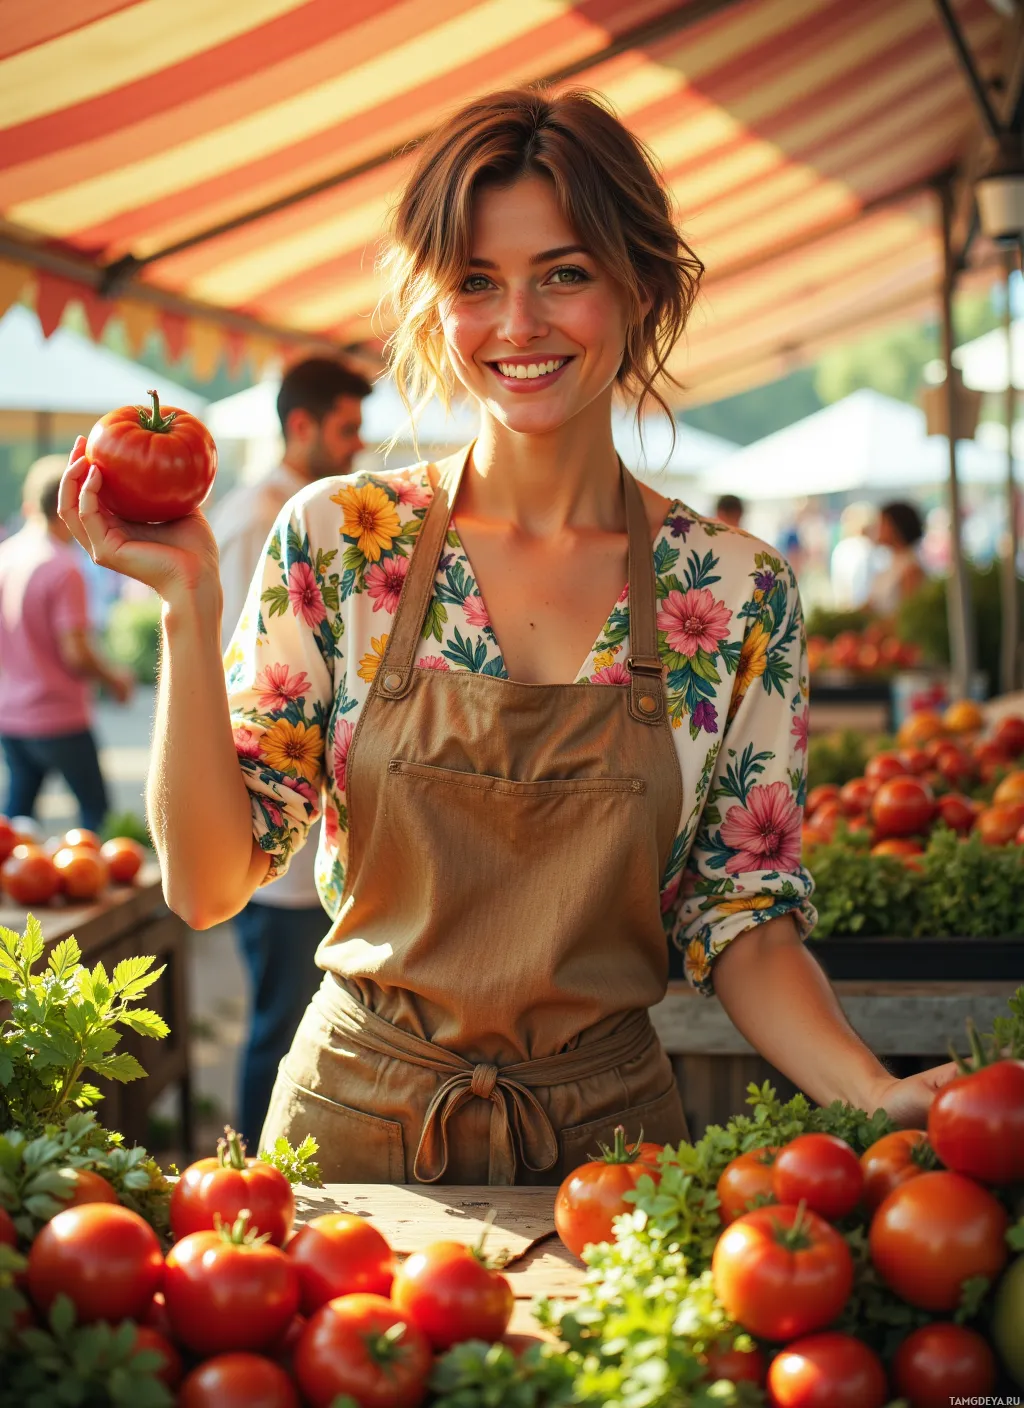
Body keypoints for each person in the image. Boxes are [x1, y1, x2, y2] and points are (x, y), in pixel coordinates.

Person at [59, 88, 958, 1185]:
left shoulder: (732, 594)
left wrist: (876, 1092)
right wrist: (188, 607)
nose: (518, 325)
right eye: (476, 283)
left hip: (612, 1154)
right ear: (435, 305)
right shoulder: (343, 540)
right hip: (347, 1132)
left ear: (639, 284)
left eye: (564, 274)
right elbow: (206, 885)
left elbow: (747, 921)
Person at [207, 357, 371, 1143]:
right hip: (272, 835)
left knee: (291, 1014)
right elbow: (254, 685)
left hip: (309, 837)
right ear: (300, 425)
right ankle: (252, 1165)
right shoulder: (262, 521)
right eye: (346, 429)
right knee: (278, 1023)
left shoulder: (306, 513)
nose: (357, 446)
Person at [0, 456, 132, 831]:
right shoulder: (63, 566)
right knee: (95, 815)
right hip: (58, 716)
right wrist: (114, 677)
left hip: (10, 715)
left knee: (15, 821)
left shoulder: (6, 556)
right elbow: (74, 650)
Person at [869, 500, 926, 619]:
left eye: (882, 523)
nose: (877, 528)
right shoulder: (891, 563)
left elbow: (908, 616)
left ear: (896, 527)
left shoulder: (912, 569)